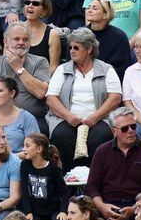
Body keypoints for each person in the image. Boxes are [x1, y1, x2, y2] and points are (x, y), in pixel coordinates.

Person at [45, 27, 122, 167]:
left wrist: (95, 117)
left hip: (99, 119)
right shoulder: (62, 69)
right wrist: (69, 116)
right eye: (70, 47)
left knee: (101, 137)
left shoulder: (107, 69)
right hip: (66, 118)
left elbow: (115, 98)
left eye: (76, 47)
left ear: (89, 49)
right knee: (61, 136)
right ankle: (67, 180)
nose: (71, 51)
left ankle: (94, 180)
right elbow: (51, 98)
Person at [85, 108, 141, 220]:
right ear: (114, 131)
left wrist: (135, 208)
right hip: (107, 205)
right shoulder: (102, 151)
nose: (130, 131)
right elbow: (92, 187)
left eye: (133, 126)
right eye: (124, 128)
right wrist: (102, 207)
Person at [0, 22, 51, 127]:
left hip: (34, 118)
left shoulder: (40, 62)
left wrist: (19, 68)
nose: (21, 42)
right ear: (6, 42)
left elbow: (41, 92)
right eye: (16, 39)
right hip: (1, 118)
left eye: (25, 39)